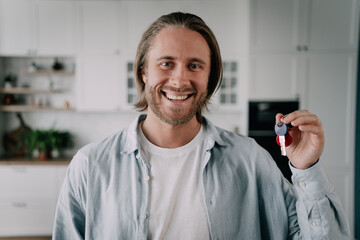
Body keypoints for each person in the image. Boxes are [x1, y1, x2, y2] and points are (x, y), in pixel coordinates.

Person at [53, 12, 350, 239]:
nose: (180, 80)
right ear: (144, 71)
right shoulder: (90, 166)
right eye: (166, 63)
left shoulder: (250, 160)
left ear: (210, 78)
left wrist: (307, 170)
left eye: (195, 65)